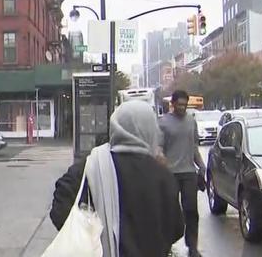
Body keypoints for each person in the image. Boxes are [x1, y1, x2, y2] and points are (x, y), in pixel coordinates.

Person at [50, 101, 184, 257]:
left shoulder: (92, 165)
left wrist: (89, 237)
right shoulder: (162, 175)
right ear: (151, 130)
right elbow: (176, 229)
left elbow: (59, 210)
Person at [158, 90, 207, 257]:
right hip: (170, 173)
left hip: (188, 172)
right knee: (170, 211)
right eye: (179, 104)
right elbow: (159, 149)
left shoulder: (191, 121)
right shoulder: (163, 123)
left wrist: (202, 166)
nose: (182, 107)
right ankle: (166, 244)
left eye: (184, 105)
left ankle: (192, 246)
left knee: (191, 210)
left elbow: (194, 147)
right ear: (172, 104)